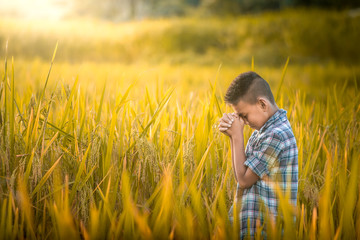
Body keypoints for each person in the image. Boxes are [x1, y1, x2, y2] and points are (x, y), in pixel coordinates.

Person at [218, 71, 298, 239]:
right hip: (253, 226)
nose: (243, 122)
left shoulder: (276, 135)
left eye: (244, 116)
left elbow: (244, 180)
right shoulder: (262, 132)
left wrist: (237, 136)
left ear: (262, 104)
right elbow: (243, 171)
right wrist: (233, 136)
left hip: (266, 230)